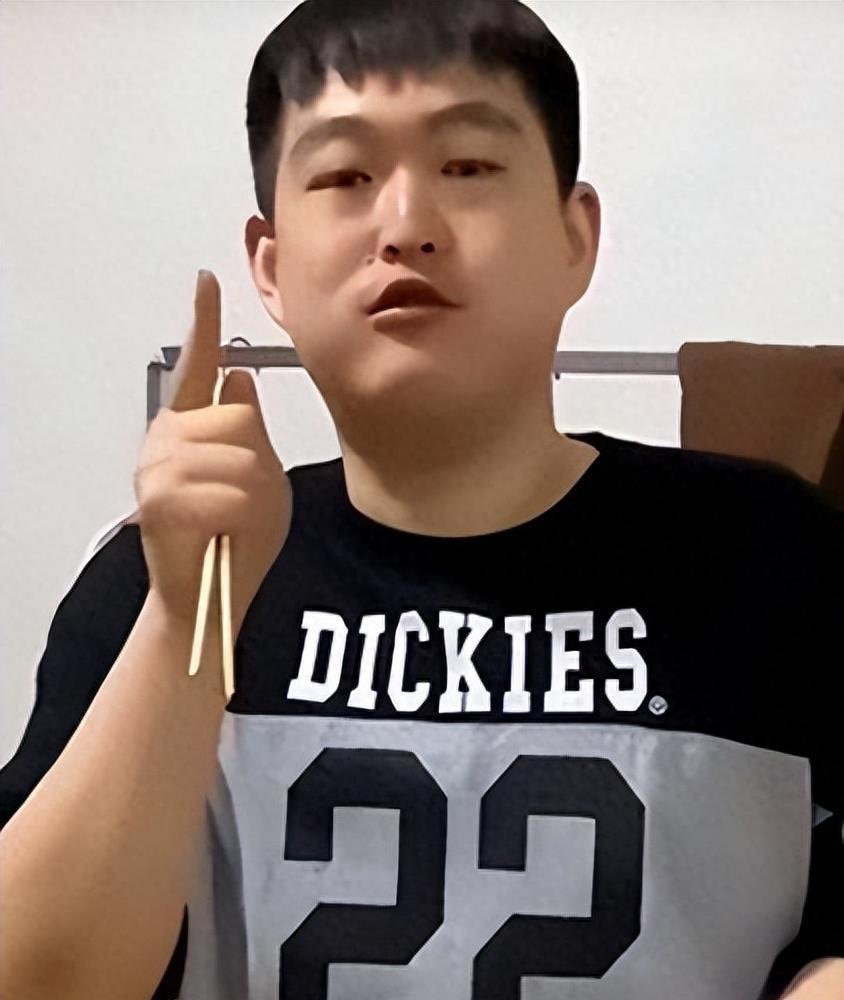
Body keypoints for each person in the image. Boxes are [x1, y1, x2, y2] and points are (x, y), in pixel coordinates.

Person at [0, 2, 842, 998]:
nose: (405, 227)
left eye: (469, 167)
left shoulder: (773, 557)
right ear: (271, 266)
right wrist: (188, 620)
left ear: (575, 235)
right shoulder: (156, 581)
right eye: (344, 177)